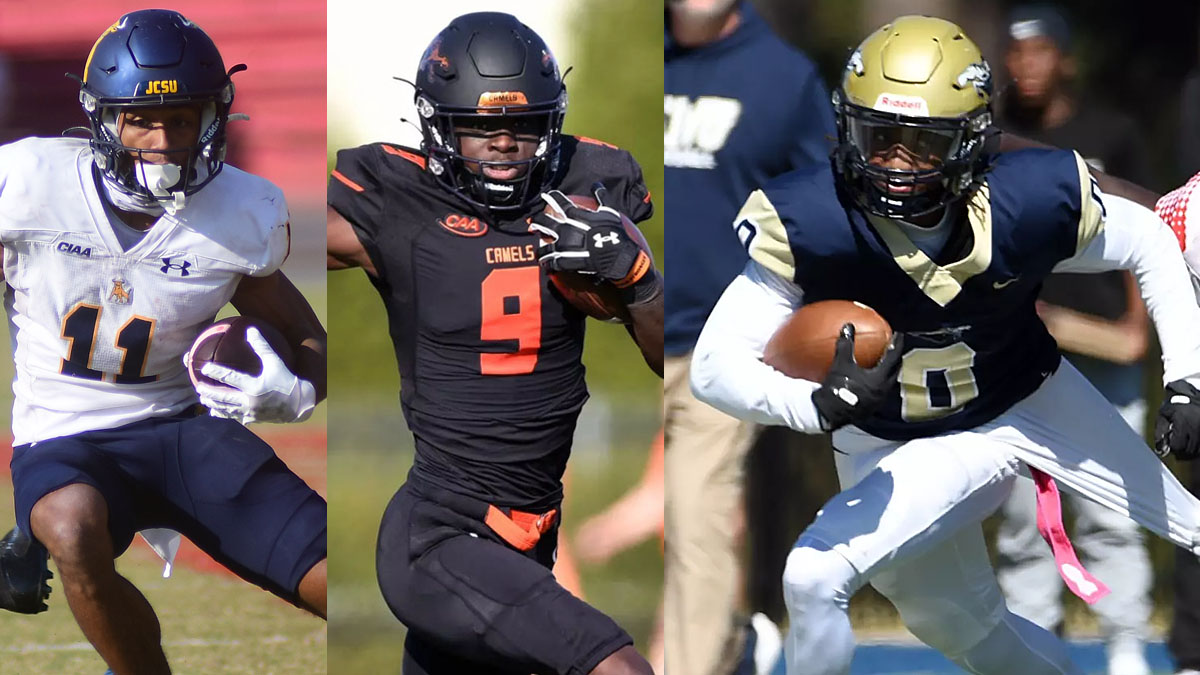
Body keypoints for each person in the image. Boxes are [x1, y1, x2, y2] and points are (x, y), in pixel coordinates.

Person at [690, 15, 1200, 674]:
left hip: (1029, 399)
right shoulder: (816, 218)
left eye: (920, 144)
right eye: (879, 138)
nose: (896, 165)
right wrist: (813, 404)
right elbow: (713, 366)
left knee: (813, 574)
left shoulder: (1024, 199)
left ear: (969, 143)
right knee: (964, 629)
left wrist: (1187, 375)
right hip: (891, 439)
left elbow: (1152, 241)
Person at [326, 12, 663, 675]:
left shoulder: (590, 188)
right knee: (620, 669)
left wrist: (638, 277)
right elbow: (267, 235)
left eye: (524, 126)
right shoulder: (398, 201)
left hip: (531, 534)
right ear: (437, 125)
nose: (503, 143)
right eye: (480, 127)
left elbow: (666, 356)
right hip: (442, 534)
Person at [0, 9, 328, 674]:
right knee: (70, 526)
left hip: (183, 431)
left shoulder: (241, 213)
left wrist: (295, 390)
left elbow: (304, 336)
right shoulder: (29, 185)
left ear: (213, 119)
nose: (163, 138)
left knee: (337, 576)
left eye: (183, 118)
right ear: (102, 120)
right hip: (63, 439)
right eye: (141, 119)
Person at [664, 1, 834, 672]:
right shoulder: (639, 58)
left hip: (717, 347)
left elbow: (825, 205)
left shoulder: (786, 79)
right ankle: (736, 646)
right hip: (622, 332)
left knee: (695, 526)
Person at [992, 7, 1154, 674]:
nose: (1027, 64)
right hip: (1018, 352)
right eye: (1016, 52)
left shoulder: (1113, 133)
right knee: (1025, 514)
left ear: (1066, 59)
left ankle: (1125, 641)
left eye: (1040, 51)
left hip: (1101, 348)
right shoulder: (994, 140)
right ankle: (1034, 641)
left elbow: (1149, 232)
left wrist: (1136, 327)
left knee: (1114, 504)